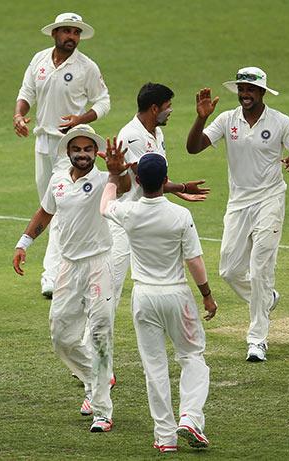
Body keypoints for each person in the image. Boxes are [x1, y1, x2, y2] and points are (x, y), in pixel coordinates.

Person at [186, 66, 289, 362]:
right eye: (242, 89)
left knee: (260, 270)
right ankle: (266, 298)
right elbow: (193, 148)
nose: (245, 95)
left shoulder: (280, 121)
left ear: (261, 93)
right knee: (229, 270)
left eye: (251, 90)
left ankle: (257, 339)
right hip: (239, 202)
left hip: (270, 199)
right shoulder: (226, 119)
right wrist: (201, 116)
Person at [12, 125, 129, 433]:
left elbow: (126, 186)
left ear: (95, 153)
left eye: (87, 149)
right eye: (76, 149)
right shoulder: (58, 181)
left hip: (98, 263)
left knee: (101, 333)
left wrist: (117, 172)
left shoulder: (105, 180)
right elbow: (45, 212)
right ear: (68, 152)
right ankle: (97, 377)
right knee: (61, 337)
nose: (82, 154)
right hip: (68, 267)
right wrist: (24, 243)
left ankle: (102, 411)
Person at [101, 153, 217, 453]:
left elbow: (105, 206)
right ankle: (190, 417)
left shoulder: (129, 212)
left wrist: (113, 175)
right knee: (192, 357)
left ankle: (165, 437)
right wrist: (206, 294)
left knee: (154, 367)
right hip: (176, 295)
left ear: (138, 181)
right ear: (166, 181)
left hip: (144, 297)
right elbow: (194, 260)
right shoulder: (180, 215)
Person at [14, 12, 111, 298]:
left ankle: (52, 276)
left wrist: (82, 118)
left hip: (70, 146)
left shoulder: (86, 67)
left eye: (76, 33)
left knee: (60, 203)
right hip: (42, 142)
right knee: (49, 204)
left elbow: (104, 101)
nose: (72, 37)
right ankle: (62, 270)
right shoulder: (39, 60)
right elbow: (26, 92)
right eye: (67, 32)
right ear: (55, 34)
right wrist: (19, 115)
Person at [111, 82, 209, 305]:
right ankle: (93, 338)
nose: (171, 110)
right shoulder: (131, 136)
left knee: (155, 279)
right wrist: (182, 187)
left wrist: (176, 191)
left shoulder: (158, 133)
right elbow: (144, 179)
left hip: (148, 215)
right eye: (168, 105)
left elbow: (157, 178)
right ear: (154, 108)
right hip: (126, 218)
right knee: (112, 285)